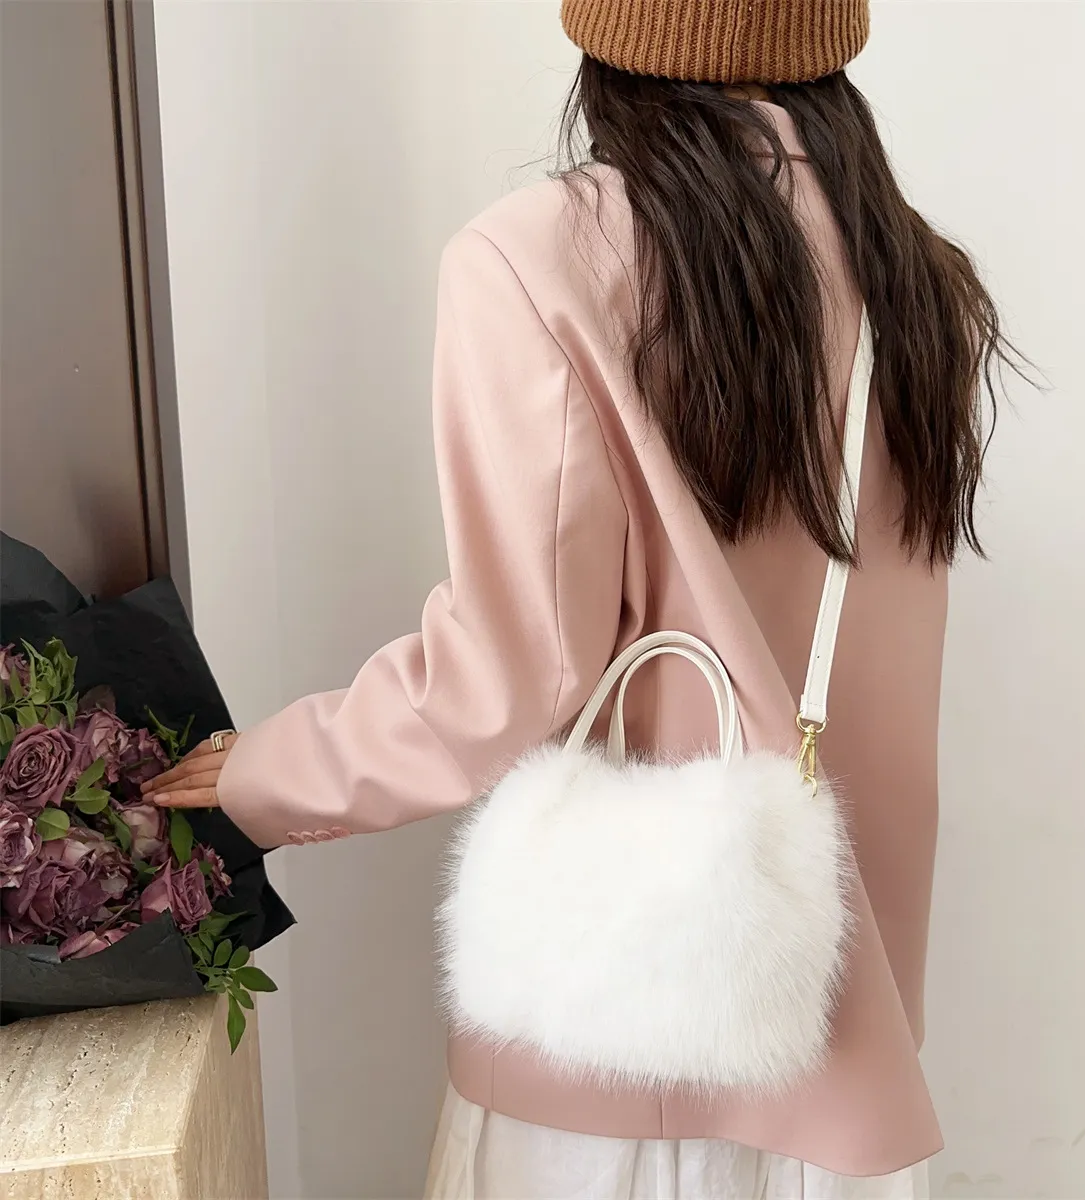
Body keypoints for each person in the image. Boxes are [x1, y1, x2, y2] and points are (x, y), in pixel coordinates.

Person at [147, 1, 1017, 1195]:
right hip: (834, 1036)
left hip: (617, 1058)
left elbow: (503, 676)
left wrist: (267, 778)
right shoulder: (917, 282)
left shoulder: (536, 260)